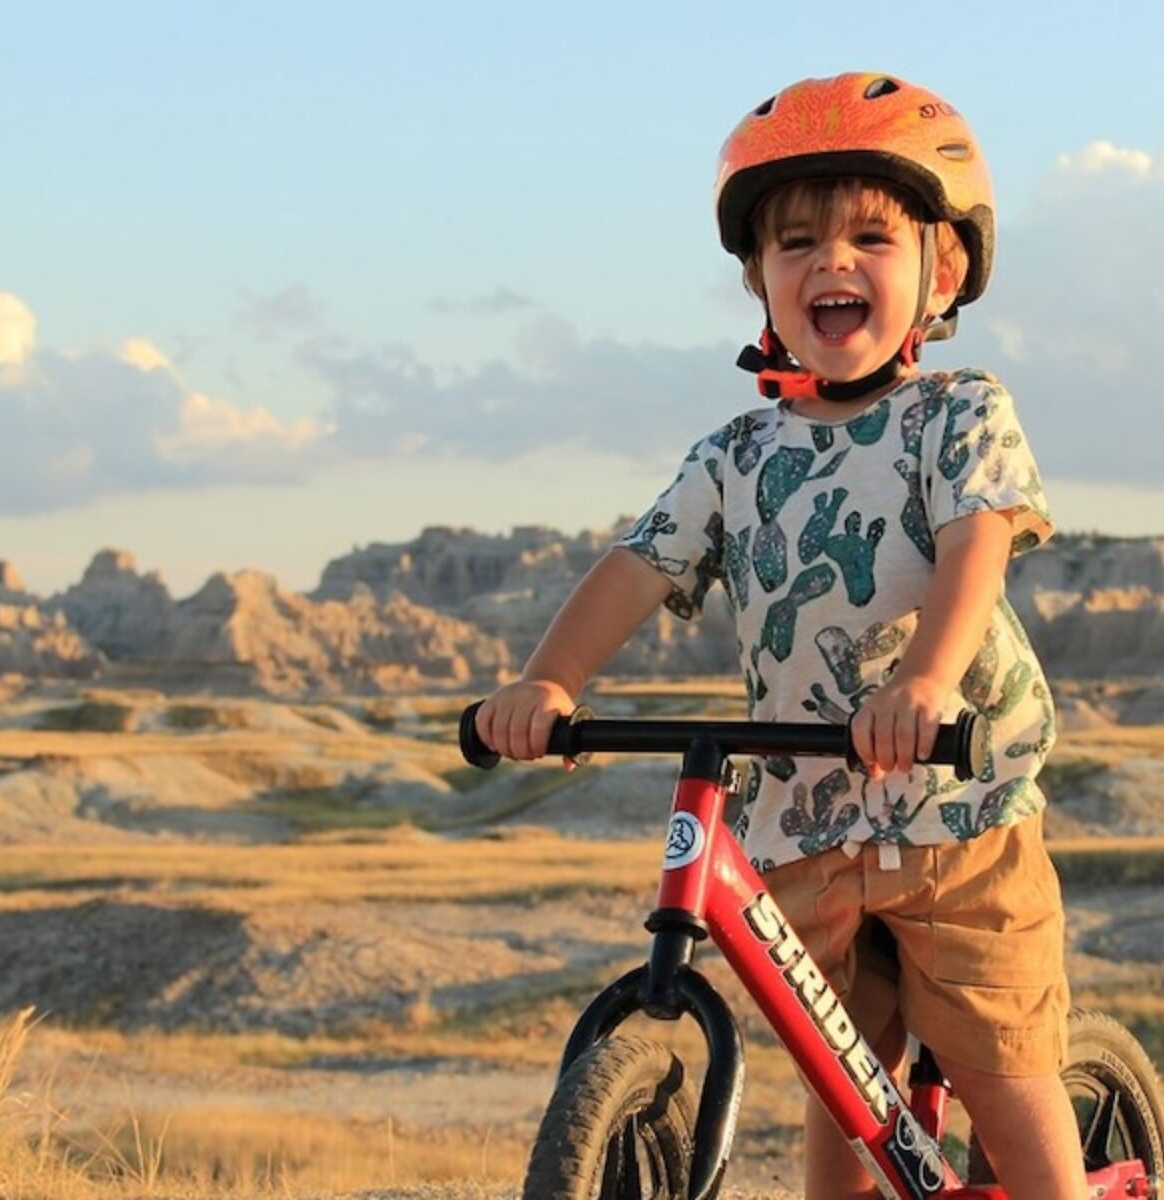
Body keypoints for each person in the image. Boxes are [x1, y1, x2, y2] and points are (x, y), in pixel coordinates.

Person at [475, 72, 1085, 1199]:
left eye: (870, 236)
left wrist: (928, 682)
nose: (830, 262)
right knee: (840, 1091)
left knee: (1003, 1066)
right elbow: (637, 566)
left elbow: (976, 545)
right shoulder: (736, 454)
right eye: (795, 241)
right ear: (759, 277)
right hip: (801, 816)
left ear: (940, 270)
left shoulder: (958, 413)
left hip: (956, 805)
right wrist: (548, 680)